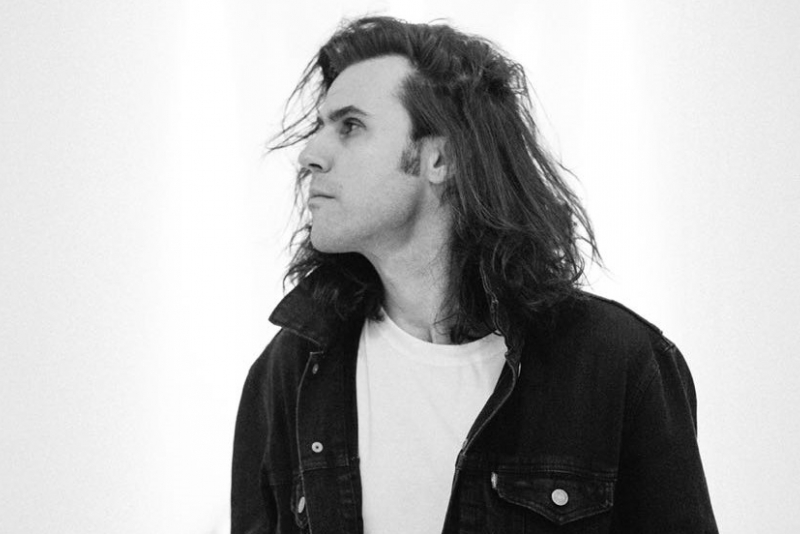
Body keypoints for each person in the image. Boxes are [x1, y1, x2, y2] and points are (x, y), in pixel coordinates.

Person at [231, 15, 717, 534]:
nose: (310, 155)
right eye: (320, 127)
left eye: (350, 126)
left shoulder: (617, 364)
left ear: (440, 158)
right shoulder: (291, 372)